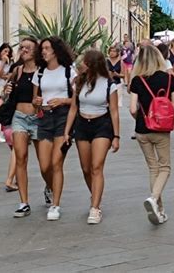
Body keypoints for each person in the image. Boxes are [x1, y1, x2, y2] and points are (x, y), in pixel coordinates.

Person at [64, 49, 120, 224]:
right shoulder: (79, 83)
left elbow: (114, 111)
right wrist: (67, 131)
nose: (81, 64)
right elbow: (73, 108)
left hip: (102, 125)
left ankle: (95, 207)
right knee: (86, 168)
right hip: (82, 125)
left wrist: (116, 136)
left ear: (92, 64)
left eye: (84, 62)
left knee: (96, 166)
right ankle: (94, 195)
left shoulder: (109, 84)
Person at [129, 45, 174, 225]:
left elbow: (133, 109)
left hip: (142, 130)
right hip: (161, 130)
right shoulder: (169, 79)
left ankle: (159, 209)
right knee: (164, 167)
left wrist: (142, 117)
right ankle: (154, 198)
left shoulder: (137, 81)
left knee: (153, 168)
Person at [32, 37, 75, 221]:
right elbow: (34, 101)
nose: (44, 51)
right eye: (42, 49)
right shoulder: (39, 73)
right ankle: (50, 186)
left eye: (47, 48)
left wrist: (63, 100)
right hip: (44, 118)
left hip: (63, 118)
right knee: (44, 166)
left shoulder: (69, 72)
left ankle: (55, 205)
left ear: (56, 51)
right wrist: (37, 102)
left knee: (56, 163)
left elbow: (77, 100)